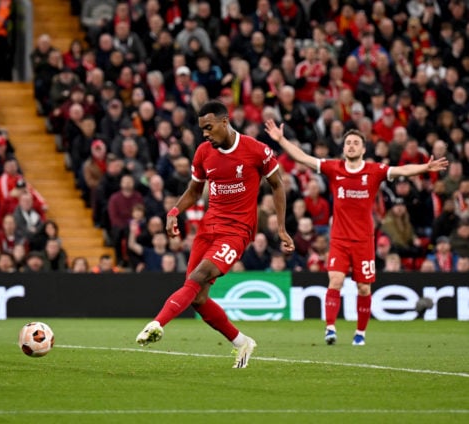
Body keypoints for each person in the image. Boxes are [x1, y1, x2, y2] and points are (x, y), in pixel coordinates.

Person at [136, 101, 294, 368]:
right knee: (197, 297)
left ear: (225, 122)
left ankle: (157, 324)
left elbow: (278, 186)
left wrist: (280, 228)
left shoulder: (257, 151)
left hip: (237, 232)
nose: (205, 134)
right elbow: (195, 190)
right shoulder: (203, 153)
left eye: (208, 127)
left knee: (198, 277)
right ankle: (241, 342)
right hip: (208, 229)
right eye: (201, 129)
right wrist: (174, 210)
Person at [265, 120, 448, 346]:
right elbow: (304, 158)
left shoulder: (374, 171)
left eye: (355, 143)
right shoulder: (334, 168)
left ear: (363, 149)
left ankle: (360, 333)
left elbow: (402, 170)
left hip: (364, 240)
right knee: (335, 280)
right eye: (348, 143)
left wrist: (424, 168)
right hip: (340, 239)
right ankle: (330, 329)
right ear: (343, 149)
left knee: (363, 287)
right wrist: (281, 139)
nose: (351, 146)